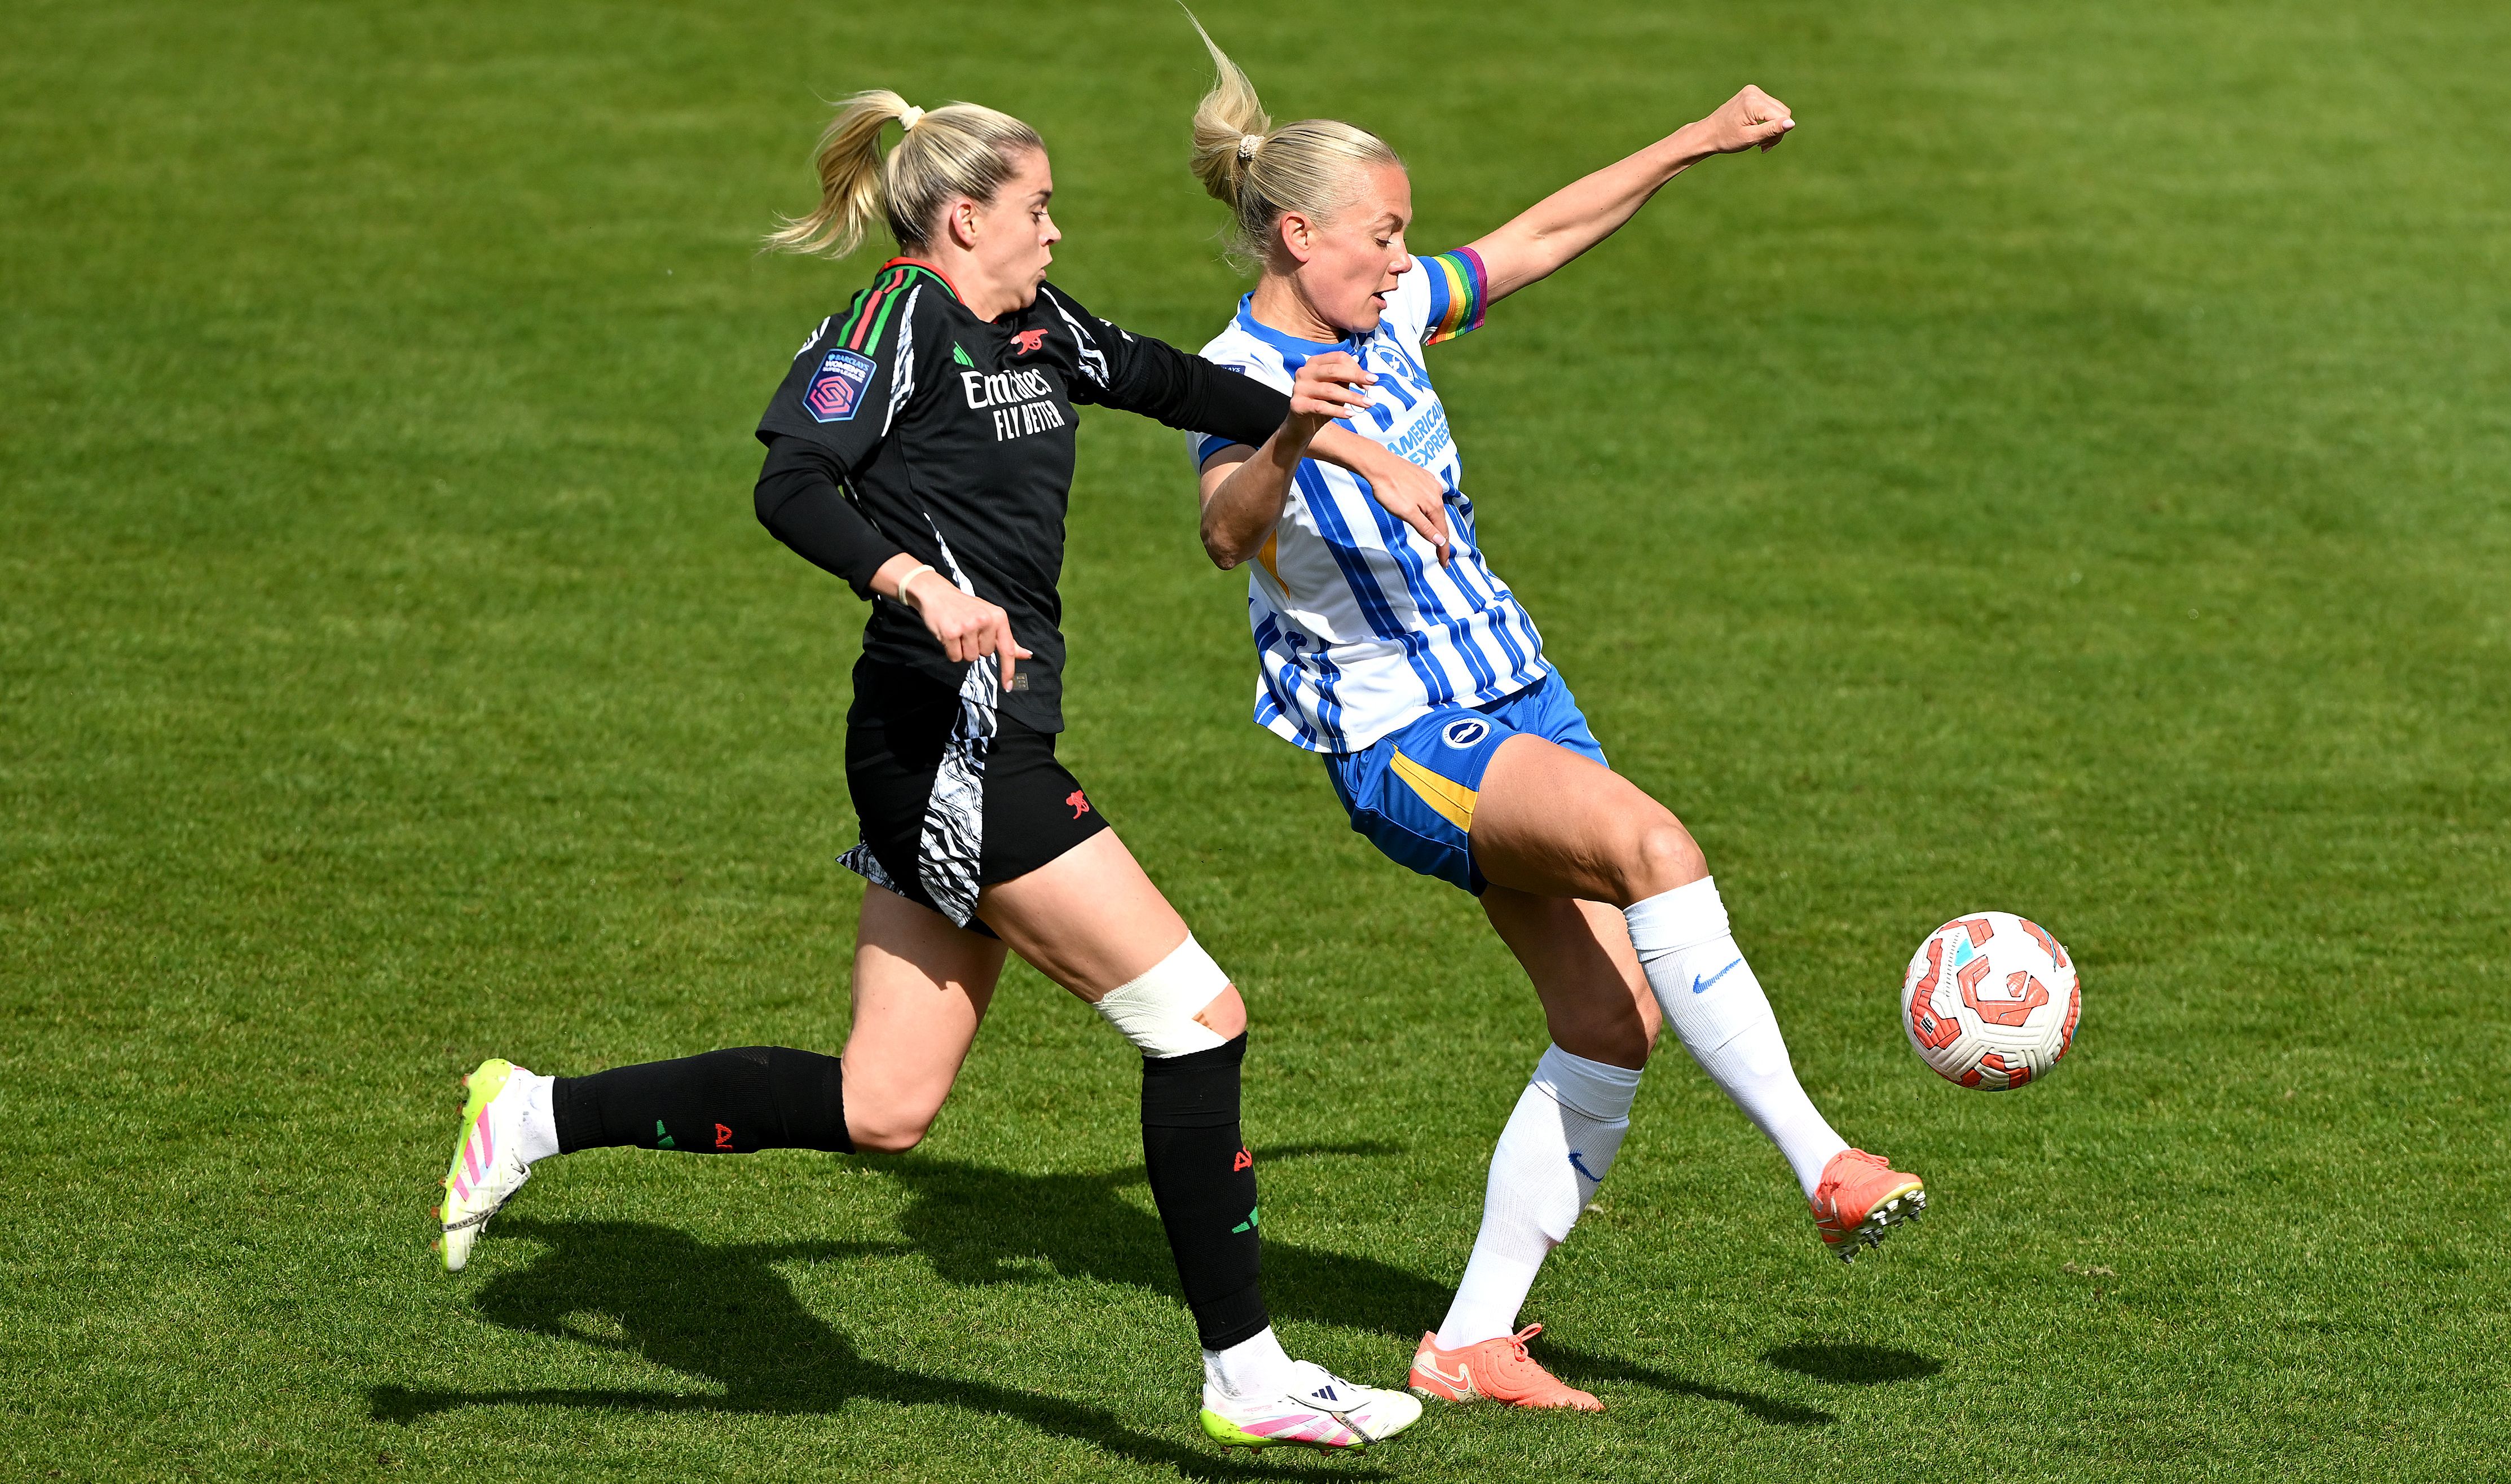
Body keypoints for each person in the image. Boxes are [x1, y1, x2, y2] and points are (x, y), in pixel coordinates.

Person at [434, 87, 1438, 1454]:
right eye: (1036, 207)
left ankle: (533, 1113)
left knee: (882, 1106)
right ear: (965, 218)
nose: (1055, 226)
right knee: (1197, 1019)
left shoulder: (1041, 323)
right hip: (942, 737)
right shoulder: (889, 323)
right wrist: (912, 582)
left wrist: (1338, 437)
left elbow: (1162, 375)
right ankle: (1248, 1370)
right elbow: (791, 480)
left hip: (986, 736)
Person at [1175, 24, 1928, 1413]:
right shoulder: (1232, 373)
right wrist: (1293, 433)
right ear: (1296, 232)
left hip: (1523, 698)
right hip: (1405, 739)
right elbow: (1227, 535)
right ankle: (1822, 1159)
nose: (1402, 259)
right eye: (1381, 234)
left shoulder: (1390, 315)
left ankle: (1468, 1342)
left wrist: (1694, 139)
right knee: (1653, 843)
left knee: (1610, 1014)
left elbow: (1532, 236)